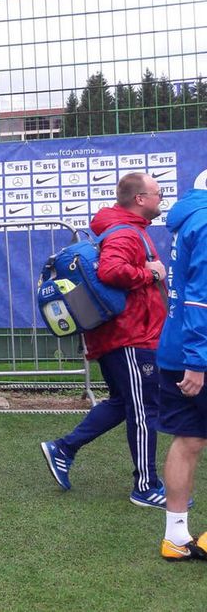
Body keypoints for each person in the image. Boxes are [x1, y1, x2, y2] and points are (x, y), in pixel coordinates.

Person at [41, 173, 168, 505]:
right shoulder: (125, 232)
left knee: (122, 402)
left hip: (123, 335)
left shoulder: (123, 228)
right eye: (158, 193)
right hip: (131, 336)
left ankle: (63, 448)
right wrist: (151, 273)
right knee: (144, 410)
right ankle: (145, 487)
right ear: (140, 199)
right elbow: (110, 271)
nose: (161, 198)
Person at [156, 186, 207, 560]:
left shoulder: (188, 219)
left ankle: (175, 537)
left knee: (188, 440)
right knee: (188, 440)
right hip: (196, 353)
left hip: (177, 347)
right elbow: (199, 298)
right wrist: (197, 361)